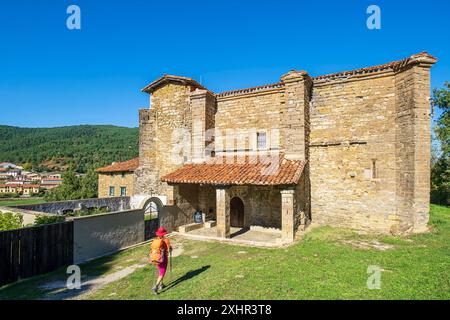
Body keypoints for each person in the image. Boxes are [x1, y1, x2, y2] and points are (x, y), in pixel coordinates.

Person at [150, 227, 172, 295]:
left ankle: (161, 285)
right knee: (162, 273)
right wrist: (170, 249)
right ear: (164, 233)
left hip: (156, 258)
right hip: (163, 258)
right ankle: (155, 287)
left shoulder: (155, 240)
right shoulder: (166, 240)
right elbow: (168, 250)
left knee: (160, 271)